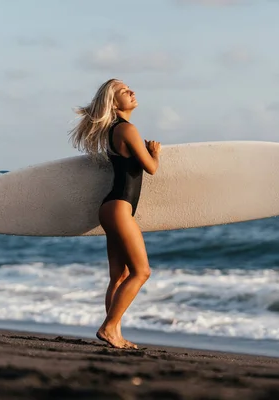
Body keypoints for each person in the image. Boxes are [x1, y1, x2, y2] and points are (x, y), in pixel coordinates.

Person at [68, 78, 161, 349]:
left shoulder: (112, 131)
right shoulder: (127, 130)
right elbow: (151, 168)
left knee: (118, 276)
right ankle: (109, 328)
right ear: (113, 102)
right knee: (141, 272)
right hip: (120, 208)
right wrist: (154, 153)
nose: (131, 91)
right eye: (123, 91)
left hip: (110, 207)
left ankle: (114, 332)